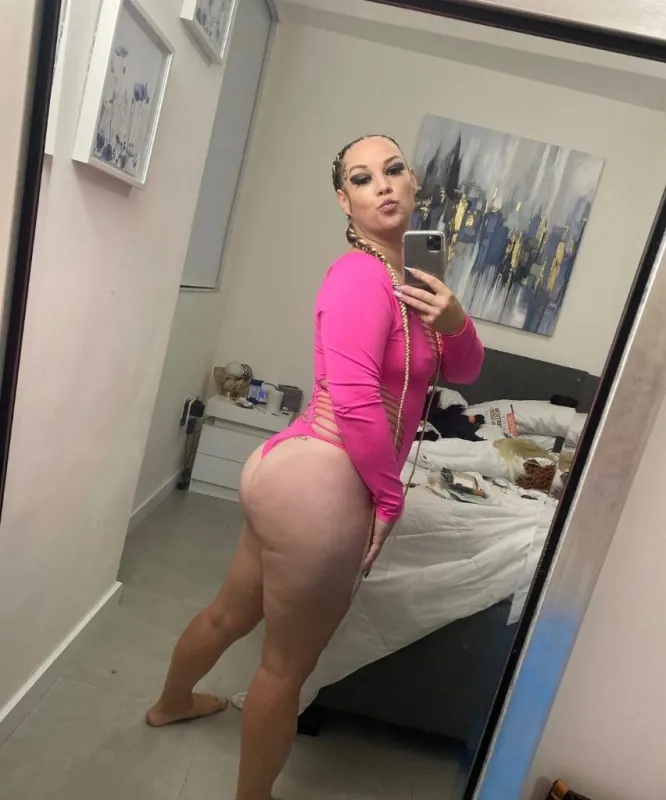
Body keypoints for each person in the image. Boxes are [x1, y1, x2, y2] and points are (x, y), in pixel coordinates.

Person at [145, 134, 484, 800]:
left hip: (293, 476)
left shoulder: (416, 287)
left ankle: (171, 703)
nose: (381, 184)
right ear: (344, 201)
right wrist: (388, 498)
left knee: (230, 614)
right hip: (323, 481)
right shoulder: (360, 275)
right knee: (284, 669)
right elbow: (356, 400)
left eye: (393, 170)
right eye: (361, 177)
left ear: (414, 183)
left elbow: (466, 370)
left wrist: (454, 317)